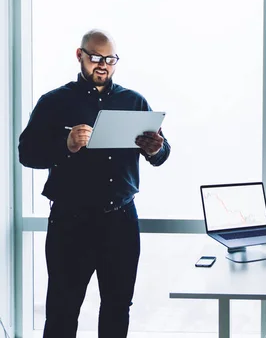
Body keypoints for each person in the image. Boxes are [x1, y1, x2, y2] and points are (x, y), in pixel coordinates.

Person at [18, 29, 171, 338]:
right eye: (96, 58)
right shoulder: (54, 102)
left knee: (118, 307)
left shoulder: (134, 101)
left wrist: (157, 149)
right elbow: (27, 153)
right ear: (80, 56)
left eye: (110, 59)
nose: (103, 65)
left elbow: (162, 152)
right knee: (62, 310)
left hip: (121, 220)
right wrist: (66, 143)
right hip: (69, 222)